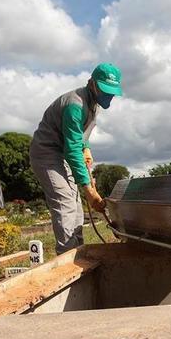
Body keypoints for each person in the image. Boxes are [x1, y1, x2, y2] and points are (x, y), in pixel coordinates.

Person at [29, 63, 122, 255]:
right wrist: (89, 189)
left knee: (77, 208)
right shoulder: (75, 104)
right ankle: (66, 258)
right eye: (105, 90)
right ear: (92, 84)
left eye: (112, 92)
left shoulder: (93, 104)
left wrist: (86, 150)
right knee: (65, 204)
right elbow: (72, 149)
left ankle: (79, 253)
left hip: (63, 153)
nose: (109, 96)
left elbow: (79, 138)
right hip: (47, 154)